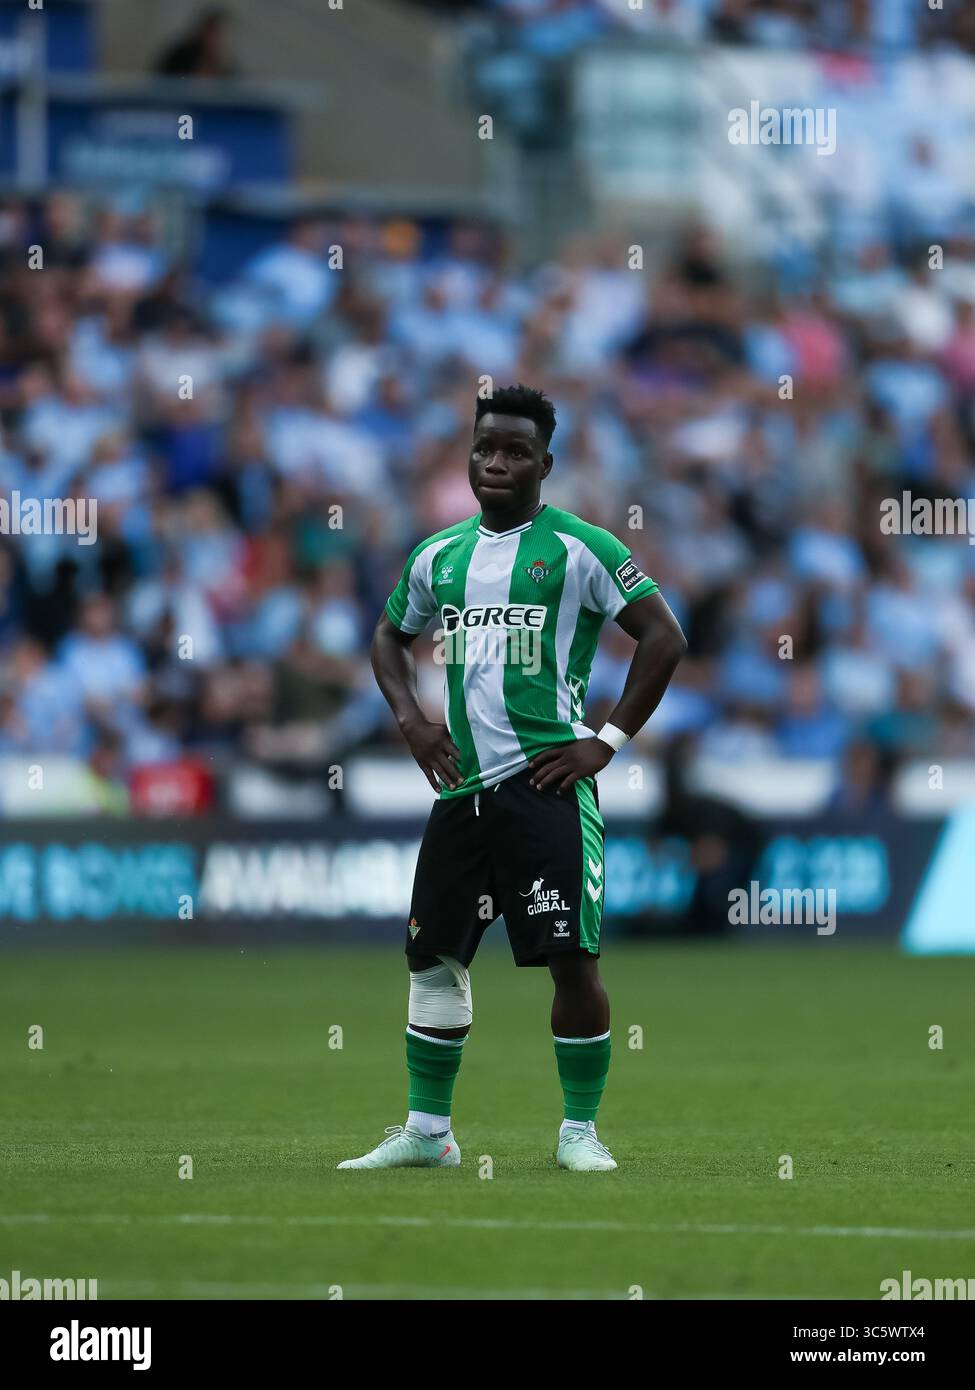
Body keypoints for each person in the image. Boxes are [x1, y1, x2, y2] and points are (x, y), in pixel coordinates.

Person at [339, 384, 686, 1173]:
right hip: (461, 795)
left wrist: (605, 741)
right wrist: (412, 722)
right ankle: (428, 1133)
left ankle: (579, 1133)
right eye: (484, 449)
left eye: (515, 452)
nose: (496, 463)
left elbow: (663, 637)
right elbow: (389, 637)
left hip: (547, 787)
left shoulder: (582, 548)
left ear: (545, 464)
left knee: (570, 962)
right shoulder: (438, 555)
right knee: (432, 959)